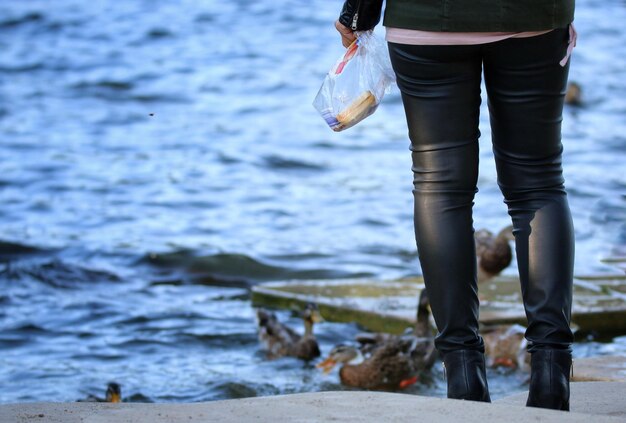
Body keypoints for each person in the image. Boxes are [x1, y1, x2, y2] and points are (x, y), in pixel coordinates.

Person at [335, 0, 577, 411]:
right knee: (538, 182)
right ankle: (552, 375)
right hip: (533, 15)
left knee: (440, 187)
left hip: (427, 20)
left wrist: (357, 11)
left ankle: (464, 379)